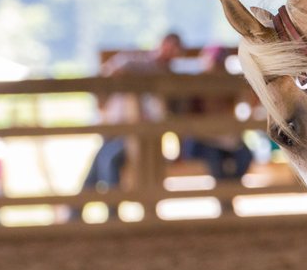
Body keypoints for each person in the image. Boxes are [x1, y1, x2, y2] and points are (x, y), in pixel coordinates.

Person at [83, 32, 184, 192]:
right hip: (119, 129)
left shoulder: (168, 80)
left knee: (107, 159)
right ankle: (80, 209)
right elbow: (109, 74)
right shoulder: (136, 62)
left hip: (140, 135)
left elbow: (172, 115)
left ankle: (101, 209)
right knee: (102, 159)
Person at [178, 45, 253, 181]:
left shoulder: (230, 85)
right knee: (215, 161)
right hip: (202, 139)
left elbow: (244, 105)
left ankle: (229, 193)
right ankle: (226, 197)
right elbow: (188, 118)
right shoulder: (195, 86)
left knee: (245, 156)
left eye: (220, 62)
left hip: (226, 138)